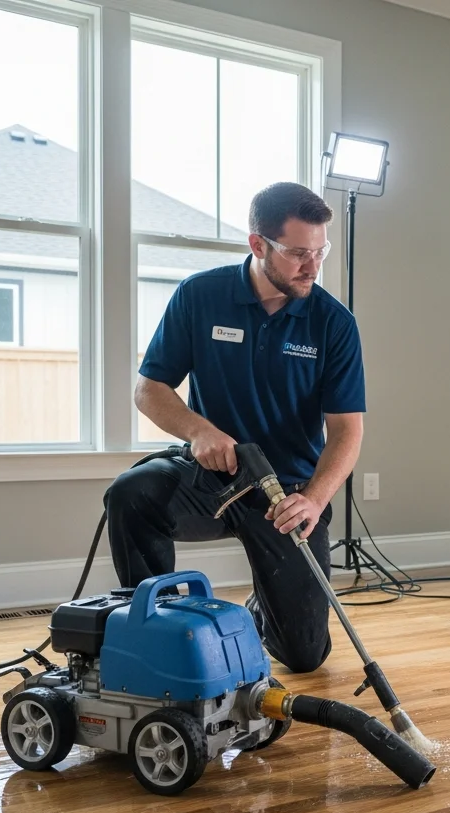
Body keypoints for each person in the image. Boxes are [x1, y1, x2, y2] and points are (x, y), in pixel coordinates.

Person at [103, 181, 365, 674]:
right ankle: (153, 628)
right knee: (130, 494)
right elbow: (149, 389)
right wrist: (198, 430)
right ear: (257, 244)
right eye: (297, 254)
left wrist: (315, 498)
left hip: (286, 494)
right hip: (211, 478)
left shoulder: (333, 323)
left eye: (320, 251)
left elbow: (347, 431)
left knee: (304, 656)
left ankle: (262, 604)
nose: (313, 266)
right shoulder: (201, 296)